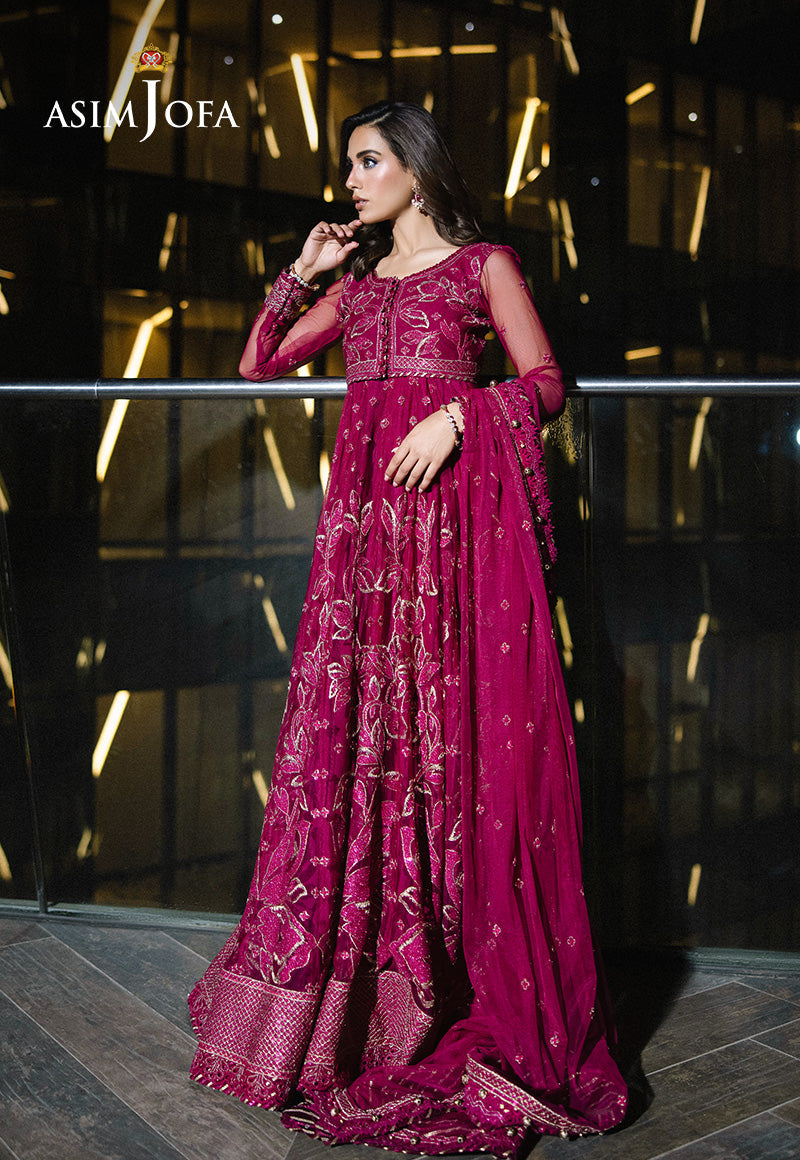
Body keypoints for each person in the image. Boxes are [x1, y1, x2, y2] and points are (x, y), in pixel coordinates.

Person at [188, 100, 627, 1156]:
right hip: (360, 552)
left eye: (367, 161)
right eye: (349, 165)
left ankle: (442, 979)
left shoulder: (482, 268)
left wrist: (460, 414)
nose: (350, 180)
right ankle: (349, 994)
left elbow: (545, 385)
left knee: (446, 741)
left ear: (416, 170)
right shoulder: (358, 288)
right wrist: (303, 272)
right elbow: (258, 364)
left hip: (448, 546)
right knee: (354, 741)